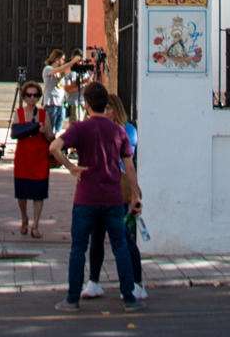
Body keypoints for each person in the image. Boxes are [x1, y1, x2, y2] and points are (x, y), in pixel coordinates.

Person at [50, 81, 141, 312]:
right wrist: (134, 195)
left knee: (79, 247)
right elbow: (129, 167)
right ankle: (129, 297)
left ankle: (72, 298)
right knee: (120, 246)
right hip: (112, 196)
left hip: (86, 198)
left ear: (87, 104)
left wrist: (71, 167)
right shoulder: (119, 130)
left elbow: (54, 147)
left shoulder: (80, 128)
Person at [84, 94, 144, 300]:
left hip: (120, 188)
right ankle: (93, 281)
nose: (106, 112)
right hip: (100, 188)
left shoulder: (127, 130)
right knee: (97, 236)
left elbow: (126, 161)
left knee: (125, 238)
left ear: (116, 109)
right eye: (103, 108)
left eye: (109, 108)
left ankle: (136, 282)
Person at [10, 80, 53, 238]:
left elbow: (50, 136)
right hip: (23, 158)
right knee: (22, 194)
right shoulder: (19, 113)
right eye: (28, 95)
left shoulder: (44, 114)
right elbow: (15, 133)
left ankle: (35, 225)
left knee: (38, 193)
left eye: (35, 95)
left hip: (40, 158)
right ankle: (24, 218)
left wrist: (44, 131)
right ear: (24, 96)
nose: (32, 98)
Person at [42, 50, 68, 133]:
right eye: (62, 59)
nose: (64, 61)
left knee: (57, 130)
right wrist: (72, 62)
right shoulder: (48, 68)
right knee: (49, 130)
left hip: (61, 104)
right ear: (57, 59)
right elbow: (58, 70)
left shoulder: (61, 72)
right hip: (51, 104)